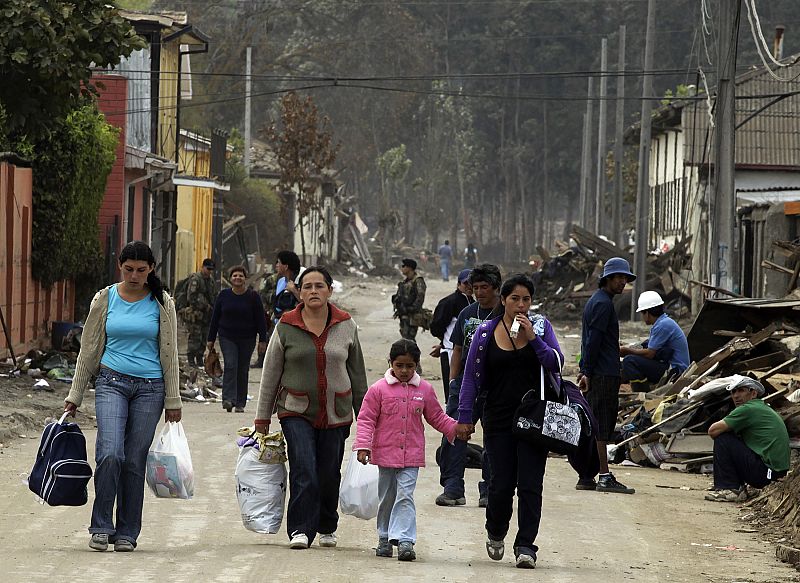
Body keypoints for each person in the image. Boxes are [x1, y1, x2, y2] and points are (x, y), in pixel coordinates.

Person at [63, 241, 181, 552]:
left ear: (151, 269)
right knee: (111, 453)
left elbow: (170, 354)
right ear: (120, 265)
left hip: (151, 389)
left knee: (134, 461)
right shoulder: (104, 298)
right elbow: (88, 349)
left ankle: (127, 531)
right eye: (129, 269)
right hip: (111, 382)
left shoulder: (162, 302)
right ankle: (101, 526)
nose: (134, 276)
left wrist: (173, 399)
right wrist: (75, 394)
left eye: (141, 270)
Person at [254, 266, 368, 550]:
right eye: (307, 287)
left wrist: (367, 423)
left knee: (329, 473)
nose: (314, 291)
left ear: (329, 290)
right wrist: (262, 417)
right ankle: (300, 529)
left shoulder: (346, 325)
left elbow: (357, 376)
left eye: (319, 286)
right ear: (300, 292)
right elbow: (271, 374)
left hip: (336, 412)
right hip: (295, 410)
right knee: (304, 468)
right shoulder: (286, 325)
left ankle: (327, 525)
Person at [457, 274, 564, 569]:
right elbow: (471, 379)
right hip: (498, 418)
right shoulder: (485, 333)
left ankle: (526, 545)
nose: (520, 305)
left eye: (526, 299)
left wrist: (534, 340)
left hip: (535, 419)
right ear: (503, 300)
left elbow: (557, 363)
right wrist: (464, 417)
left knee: (530, 484)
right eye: (514, 298)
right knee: (501, 484)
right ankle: (496, 530)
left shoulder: (540, 327)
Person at [353, 339, 473, 562]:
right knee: (387, 497)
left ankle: (405, 540)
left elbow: (437, 417)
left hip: (412, 455)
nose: (404, 371)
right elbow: (366, 419)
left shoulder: (424, 390)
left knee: (405, 495)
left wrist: (456, 429)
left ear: (417, 365)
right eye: (399, 365)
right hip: (385, 455)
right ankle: (384, 537)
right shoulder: (378, 390)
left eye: (410, 366)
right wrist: (363, 446)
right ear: (390, 363)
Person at [437, 263, 502, 508]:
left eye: (485, 287)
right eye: (476, 288)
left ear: (496, 288)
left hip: (495, 387)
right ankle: (453, 488)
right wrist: (453, 381)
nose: (479, 292)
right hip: (466, 385)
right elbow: (457, 349)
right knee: (454, 434)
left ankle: (489, 490)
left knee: (494, 439)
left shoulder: (504, 315)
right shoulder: (467, 313)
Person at [578, 257, 636, 494]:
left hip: (600, 371)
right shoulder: (603, 304)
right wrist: (587, 371)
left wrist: (585, 368)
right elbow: (593, 341)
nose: (623, 282)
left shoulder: (599, 301)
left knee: (594, 424)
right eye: (618, 277)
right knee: (602, 425)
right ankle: (603, 475)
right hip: (603, 373)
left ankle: (586, 475)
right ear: (607, 279)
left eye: (625, 278)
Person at [705, 377, 790, 502]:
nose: (736, 396)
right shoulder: (763, 407)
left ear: (753, 393)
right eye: (733, 392)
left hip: (767, 474)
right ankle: (737, 487)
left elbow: (713, 431)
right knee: (731, 437)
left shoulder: (747, 409)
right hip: (776, 474)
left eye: (741, 390)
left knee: (723, 439)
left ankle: (730, 488)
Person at [207, 265, 268, 413]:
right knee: (231, 365)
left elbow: (261, 319)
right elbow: (215, 318)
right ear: (230, 279)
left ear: (245, 278)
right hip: (227, 337)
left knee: (242, 369)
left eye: (240, 275)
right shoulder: (223, 295)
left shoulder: (253, 297)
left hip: (248, 338)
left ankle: (240, 402)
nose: (237, 278)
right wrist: (210, 339)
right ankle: (228, 399)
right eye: (235, 275)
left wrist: (262, 340)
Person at [620, 291, 690, 388]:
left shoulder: (662, 325)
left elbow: (650, 354)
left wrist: (627, 351)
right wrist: (633, 348)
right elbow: (648, 345)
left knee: (630, 361)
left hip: (676, 371)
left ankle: (642, 390)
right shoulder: (663, 322)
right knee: (640, 349)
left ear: (647, 313)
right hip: (671, 366)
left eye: (642, 313)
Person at [429, 269, 474, 401]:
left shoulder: (474, 303)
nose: (469, 287)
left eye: (472, 283)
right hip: (450, 352)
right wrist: (445, 342)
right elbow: (436, 327)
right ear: (459, 284)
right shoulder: (449, 302)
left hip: (469, 352)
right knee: (452, 392)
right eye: (466, 283)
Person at [183, 258, 217, 367]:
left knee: (204, 337)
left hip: (207, 314)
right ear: (202, 267)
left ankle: (199, 357)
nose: (209, 271)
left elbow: (214, 295)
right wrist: (203, 305)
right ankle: (191, 358)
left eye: (211, 269)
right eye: (208, 269)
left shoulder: (211, 281)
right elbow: (191, 297)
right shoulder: (196, 279)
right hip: (196, 313)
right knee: (195, 336)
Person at [392, 258, 427, 340]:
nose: (402, 268)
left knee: (409, 339)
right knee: (405, 338)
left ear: (409, 268)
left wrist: (411, 309)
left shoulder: (418, 280)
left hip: (412, 316)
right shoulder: (405, 281)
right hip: (404, 314)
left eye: (404, 266)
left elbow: (420, 297)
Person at [252, 267, 280, 369]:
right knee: (266, 336)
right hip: (271, 313)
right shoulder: (271, 279)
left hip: (283, 313)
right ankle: (261, 360)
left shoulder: (291, 280)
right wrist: (265, 310)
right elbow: (262, 294)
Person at [272, 250, 302, 324]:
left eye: (279, 262)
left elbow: (307, 304)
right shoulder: (280, 281)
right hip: (280, 323)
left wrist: (294, 290)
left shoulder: (300, 282)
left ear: (286, 267)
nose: (277, 265)